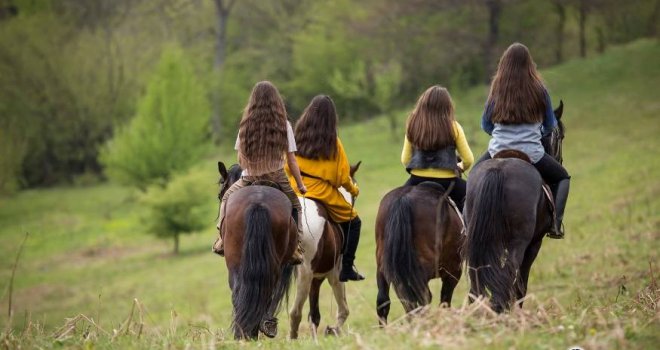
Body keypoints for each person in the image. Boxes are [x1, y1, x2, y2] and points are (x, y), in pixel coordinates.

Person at [477, 42, 570, 239]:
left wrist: (501, 135)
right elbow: (550, 125)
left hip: (498, 149)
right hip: (531, 151)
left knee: (475, 175)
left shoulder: (497, 88)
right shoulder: (539, 89)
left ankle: (469, 225)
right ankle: (555, 224)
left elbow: (485, 124)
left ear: (504, 64)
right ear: (529, 64)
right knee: (563, 177)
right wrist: (536, 132)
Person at [212, 81, 308, 263]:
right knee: (296, 206)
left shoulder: (245, 125)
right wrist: (301, 185)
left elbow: (240, 159)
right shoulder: (284, 125)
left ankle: (222, 240)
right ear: (277, 102)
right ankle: (296, 247)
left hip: (249, 177)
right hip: (278, 177)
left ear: (253, 101)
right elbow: (292, 160)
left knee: (226, 198)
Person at [286, 95, 364, 282]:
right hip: (321, 192)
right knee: (354, 222)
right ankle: (347, 268)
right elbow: (341, 177)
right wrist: (353, 190)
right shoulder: (333, 143)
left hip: (295, 188)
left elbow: (287, 165)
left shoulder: (297, 135)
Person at [401, 85, 474, 212]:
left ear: (423, 104)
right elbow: (468, 159)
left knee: (397, 204)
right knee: (476, 202)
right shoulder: (454, 127)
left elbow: (405, 159)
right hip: (448, 182)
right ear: (447, 107)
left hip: (417, 180)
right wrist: (460, 167)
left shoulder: (412, 125)